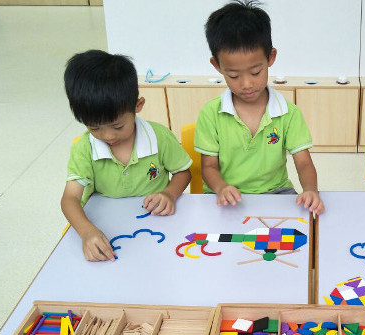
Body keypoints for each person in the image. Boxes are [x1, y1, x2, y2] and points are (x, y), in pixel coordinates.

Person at [61, 50, 192, 261]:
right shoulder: (85, 148)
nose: (108, 136)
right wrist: (86, 232)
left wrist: (169, 194)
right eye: (95, 128)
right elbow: (70, 198)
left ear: (137, 106)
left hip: (159, 230)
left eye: (118, 126)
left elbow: (182, 172)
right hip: (106, 227)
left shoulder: (159, 137)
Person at [195, 0, 324, 215]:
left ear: (271, 57)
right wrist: (221, 187)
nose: (246, 84)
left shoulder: (288, 113)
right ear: (217, 66)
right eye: (234, 75)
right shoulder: (211, 114)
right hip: (225, 195)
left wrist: (311, 190)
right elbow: (208, 167)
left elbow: (303, 163)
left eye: (255, 72)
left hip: (276, 192)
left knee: (296, 238)